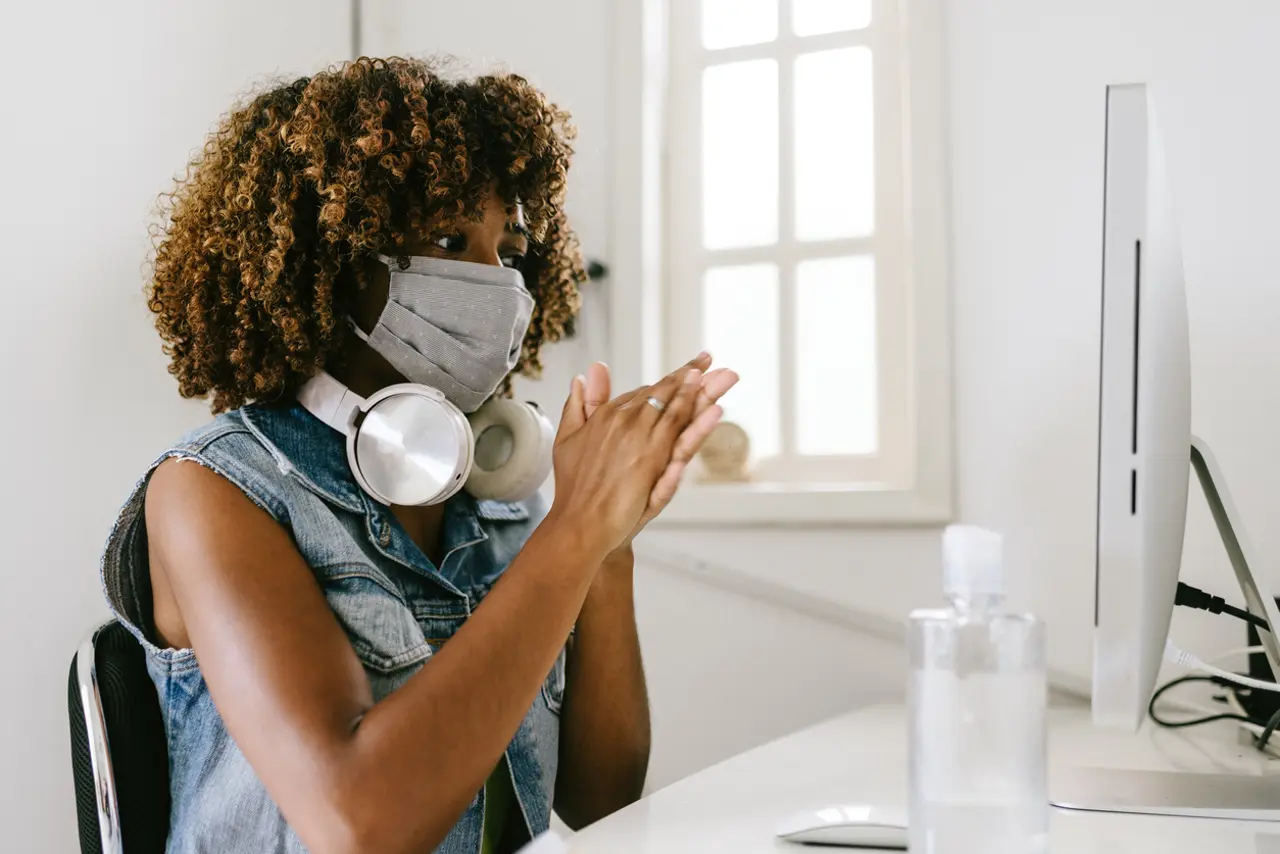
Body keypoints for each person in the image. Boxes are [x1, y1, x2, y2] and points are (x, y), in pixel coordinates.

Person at [101, 56, 738, 854]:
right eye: (447, 237)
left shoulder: (503, 495)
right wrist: (575, 531)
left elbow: (601, 798)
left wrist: (608, 547)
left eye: (509, 244)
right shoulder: (214, 490)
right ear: (329, 259)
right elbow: (357, 821)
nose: (498, 281)